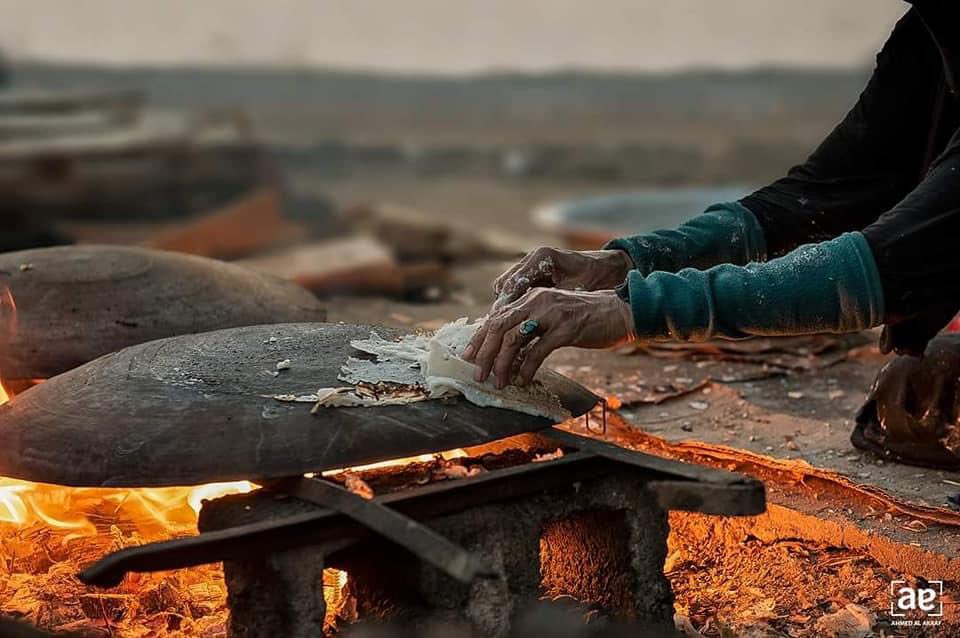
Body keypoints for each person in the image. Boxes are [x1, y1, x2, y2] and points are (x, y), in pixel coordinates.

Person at [464, 1, 960, 400]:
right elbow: (825, 193)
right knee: (910, 389)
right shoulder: (926, 38)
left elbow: (891, 265)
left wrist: (629, 311)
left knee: (925, 395)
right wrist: (625, 262)